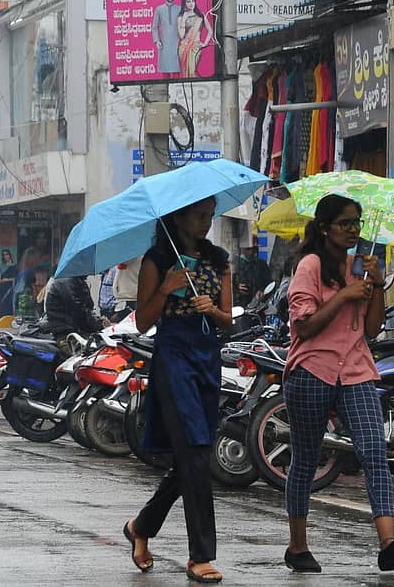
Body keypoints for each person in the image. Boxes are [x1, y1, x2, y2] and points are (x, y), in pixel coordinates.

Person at [282, 194, 394, 573]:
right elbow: (304, 327)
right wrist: (343, 294)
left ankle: (388, 543)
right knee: (306, 459)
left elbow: (371, 329)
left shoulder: (359, 266)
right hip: (313, 369)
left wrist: (376, 286)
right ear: (325, 228)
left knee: (374, 449)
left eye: (356, 222)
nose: (354, 229)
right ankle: (298, 546)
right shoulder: (310, 266)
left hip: (356, 370)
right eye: (345, 223)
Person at [123, 196, 232, 584]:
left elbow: (228, 322)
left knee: (194, 454)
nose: (205, 223)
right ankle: (200, 555)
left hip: (207, 360)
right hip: (172, 359)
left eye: (209, 216)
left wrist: (212, 310)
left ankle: (142, 526)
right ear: (179, 216)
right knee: (195, 452)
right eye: (199, 216)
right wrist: (167, 288)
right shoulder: (157, 260)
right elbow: (141, 321)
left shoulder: (218, 260)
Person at [44, 275, 106, 354]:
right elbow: (78, 311)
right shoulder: (64, 283)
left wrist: (99, 321)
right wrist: (99, 325)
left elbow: (88, 308)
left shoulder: (79, 282)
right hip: (67, 335)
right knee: (82, 360)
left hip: (79, 332)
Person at [177, 0, 212, 77]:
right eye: (188, 1)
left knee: (193, 72)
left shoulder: (200, 16)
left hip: (196, 48)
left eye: (193, 1)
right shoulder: (180, 17)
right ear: (184, 3)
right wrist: (184, 19)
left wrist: (205, 43)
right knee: (185, 75)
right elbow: (181, 36)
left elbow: (210, 31)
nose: (191, 3)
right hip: (184, 48)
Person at [233, 236, 271, 307]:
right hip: (238, 306)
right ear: (242, 248)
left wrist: (263, 292)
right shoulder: (234, 264)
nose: (251, 252)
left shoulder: (261, 264)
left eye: (254, 249)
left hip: (257, 306)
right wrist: (236, 288)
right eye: (248, 249)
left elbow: (270, 284)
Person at [152, 0, 181, 76]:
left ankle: (176, 88)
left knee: (177, 69)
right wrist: (157, 41)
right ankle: (167, 88)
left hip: (177, 42)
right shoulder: (159, 9)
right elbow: (154, 27)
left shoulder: (180, 9)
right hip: (164, 43)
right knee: (165, 70)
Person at [0, 249, 18, 318]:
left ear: (10, 255)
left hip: (12, 287)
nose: (5, 256)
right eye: (4, 255)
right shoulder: (1, 266)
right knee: (4, 304)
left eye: (7, 254)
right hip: (3, 288)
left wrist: (8, 279)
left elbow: (17, 277)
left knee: (12, 303)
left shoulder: (15, 266)